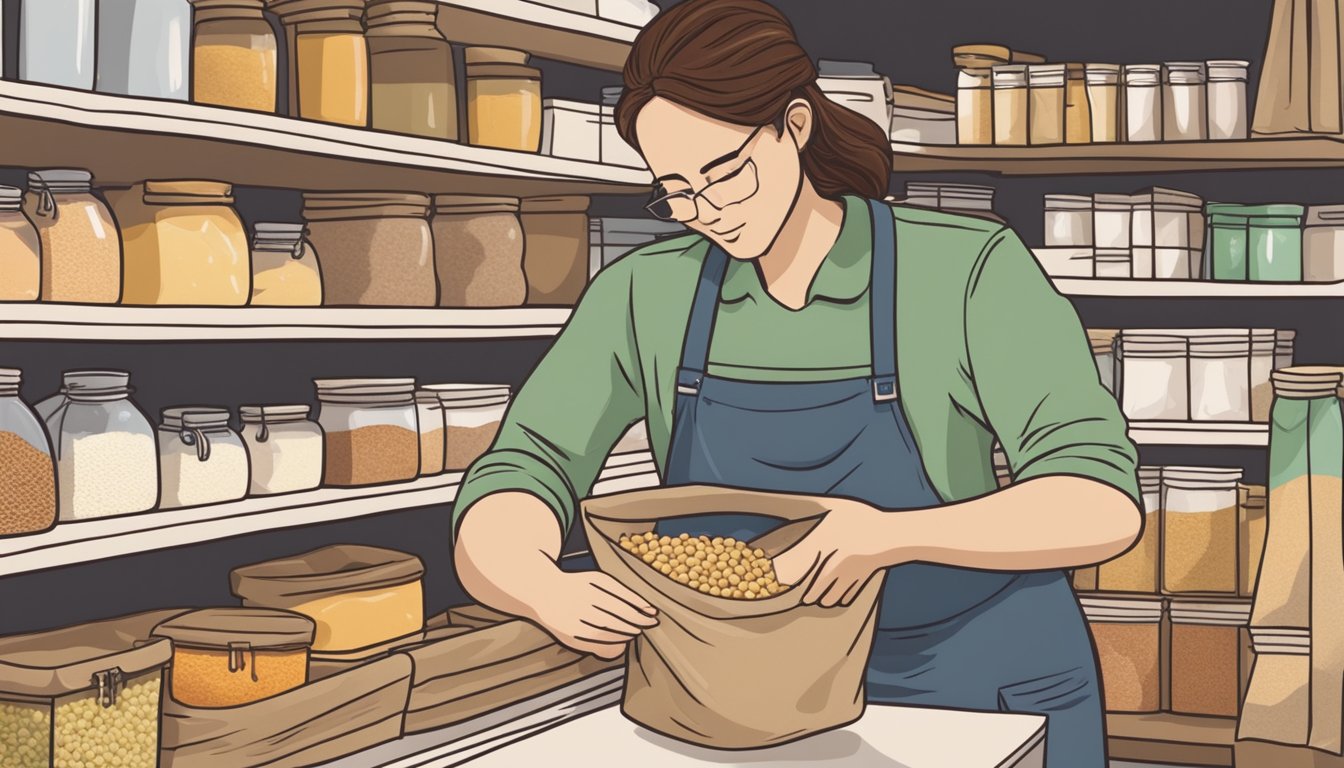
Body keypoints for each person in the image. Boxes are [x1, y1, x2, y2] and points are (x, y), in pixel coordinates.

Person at [452, 1, 1142, 764]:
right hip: (743, 693)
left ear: (796, 124)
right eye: (674, 191)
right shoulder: (646, 294)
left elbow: (1099, 503)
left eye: (723, 175)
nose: (704, 212)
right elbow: (524, 467)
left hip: (978, 678)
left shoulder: (966, 269)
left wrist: (888, 535)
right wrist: (536, 584)